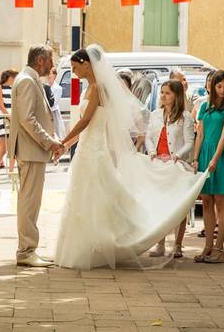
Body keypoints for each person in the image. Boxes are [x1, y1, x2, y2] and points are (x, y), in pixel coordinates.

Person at [54, 46, 210, 270]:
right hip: (86, 148)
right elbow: (84, 127)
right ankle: (84, 246)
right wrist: (66, 145)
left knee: (96, 197)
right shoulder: (90, 87)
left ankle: (107, 243)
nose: (73, 71)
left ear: (86, 64)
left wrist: (62, 141)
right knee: (81, 197)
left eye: (75, 66)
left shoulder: (98, 88)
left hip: (95, 150)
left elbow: (86, 121)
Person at [10, 45, 65, 267]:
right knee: (29, 203)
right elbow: (27, 119)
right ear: (41, 60)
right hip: (30, 150)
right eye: (51, 60)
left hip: (31, 150)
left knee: (30, 202)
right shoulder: (26, 81)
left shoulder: (29, 80)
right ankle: (26, 251)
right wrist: (50, 142)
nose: (53, 66)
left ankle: (28, 248)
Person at [192, 70, 224, 264]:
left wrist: (215, 159)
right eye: (219, 86)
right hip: (205, 153)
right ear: (212, 86)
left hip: (222, 155)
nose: (222, 90)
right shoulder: (205, 106)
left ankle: (220, 248)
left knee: (221, 202)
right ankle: (208, 246)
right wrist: (195, 158)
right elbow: (200, 135)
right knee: (206, 202)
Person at [145, 80, 196, 259]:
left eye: (167, 92)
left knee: (178, 206)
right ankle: (160, 244)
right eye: (162, 92)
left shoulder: (185, 117)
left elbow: (190, 142)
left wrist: (178, 155)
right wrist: (151, 151)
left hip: (176, 165)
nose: (164, 96)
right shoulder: (155, 115)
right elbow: (149, 137)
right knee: (160, 204)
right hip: (158, 163)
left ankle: (178, 244)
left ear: (176, 95)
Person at [0, 69, 17, 181]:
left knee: (13, 147)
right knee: (3, 147)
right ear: (9, 77)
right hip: (2, 118)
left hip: (13, 117)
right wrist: (8, 116)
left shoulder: (14, 88)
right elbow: (1, 105)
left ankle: (11, 171)